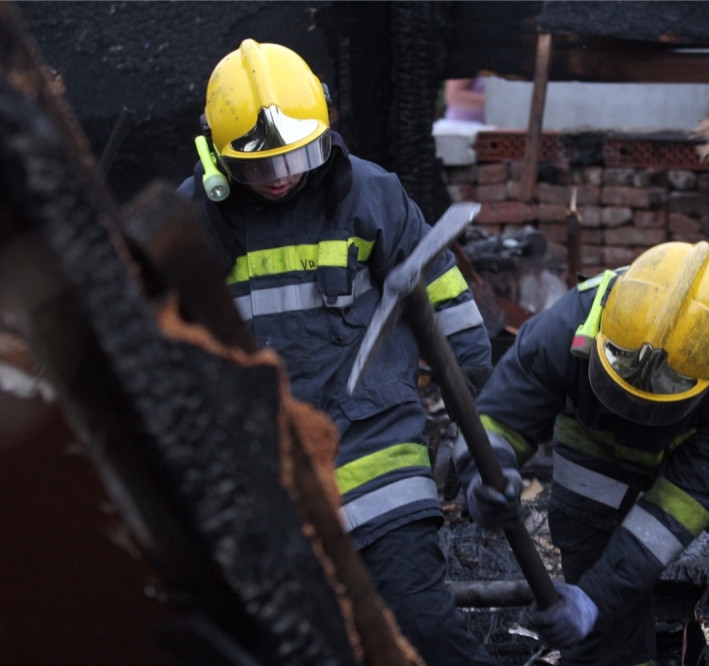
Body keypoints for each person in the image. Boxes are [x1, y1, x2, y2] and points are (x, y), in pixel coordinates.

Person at [178, 40, 495, 666]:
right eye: (259, 168)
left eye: (296, 156)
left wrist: (488, 438)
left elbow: (456, 321)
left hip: (379, 452)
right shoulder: (188, 226)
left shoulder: (371, 196)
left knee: (421, 628)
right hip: (267, 474)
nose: (280, 178)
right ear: (216, 156)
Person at [454, 241, 709, 665]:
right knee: (602, 618)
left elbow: (680, 506)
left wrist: (596, 595)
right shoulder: (564, 327)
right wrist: (484, 476)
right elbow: (498, 420)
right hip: (599, 442)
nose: (637, 414)